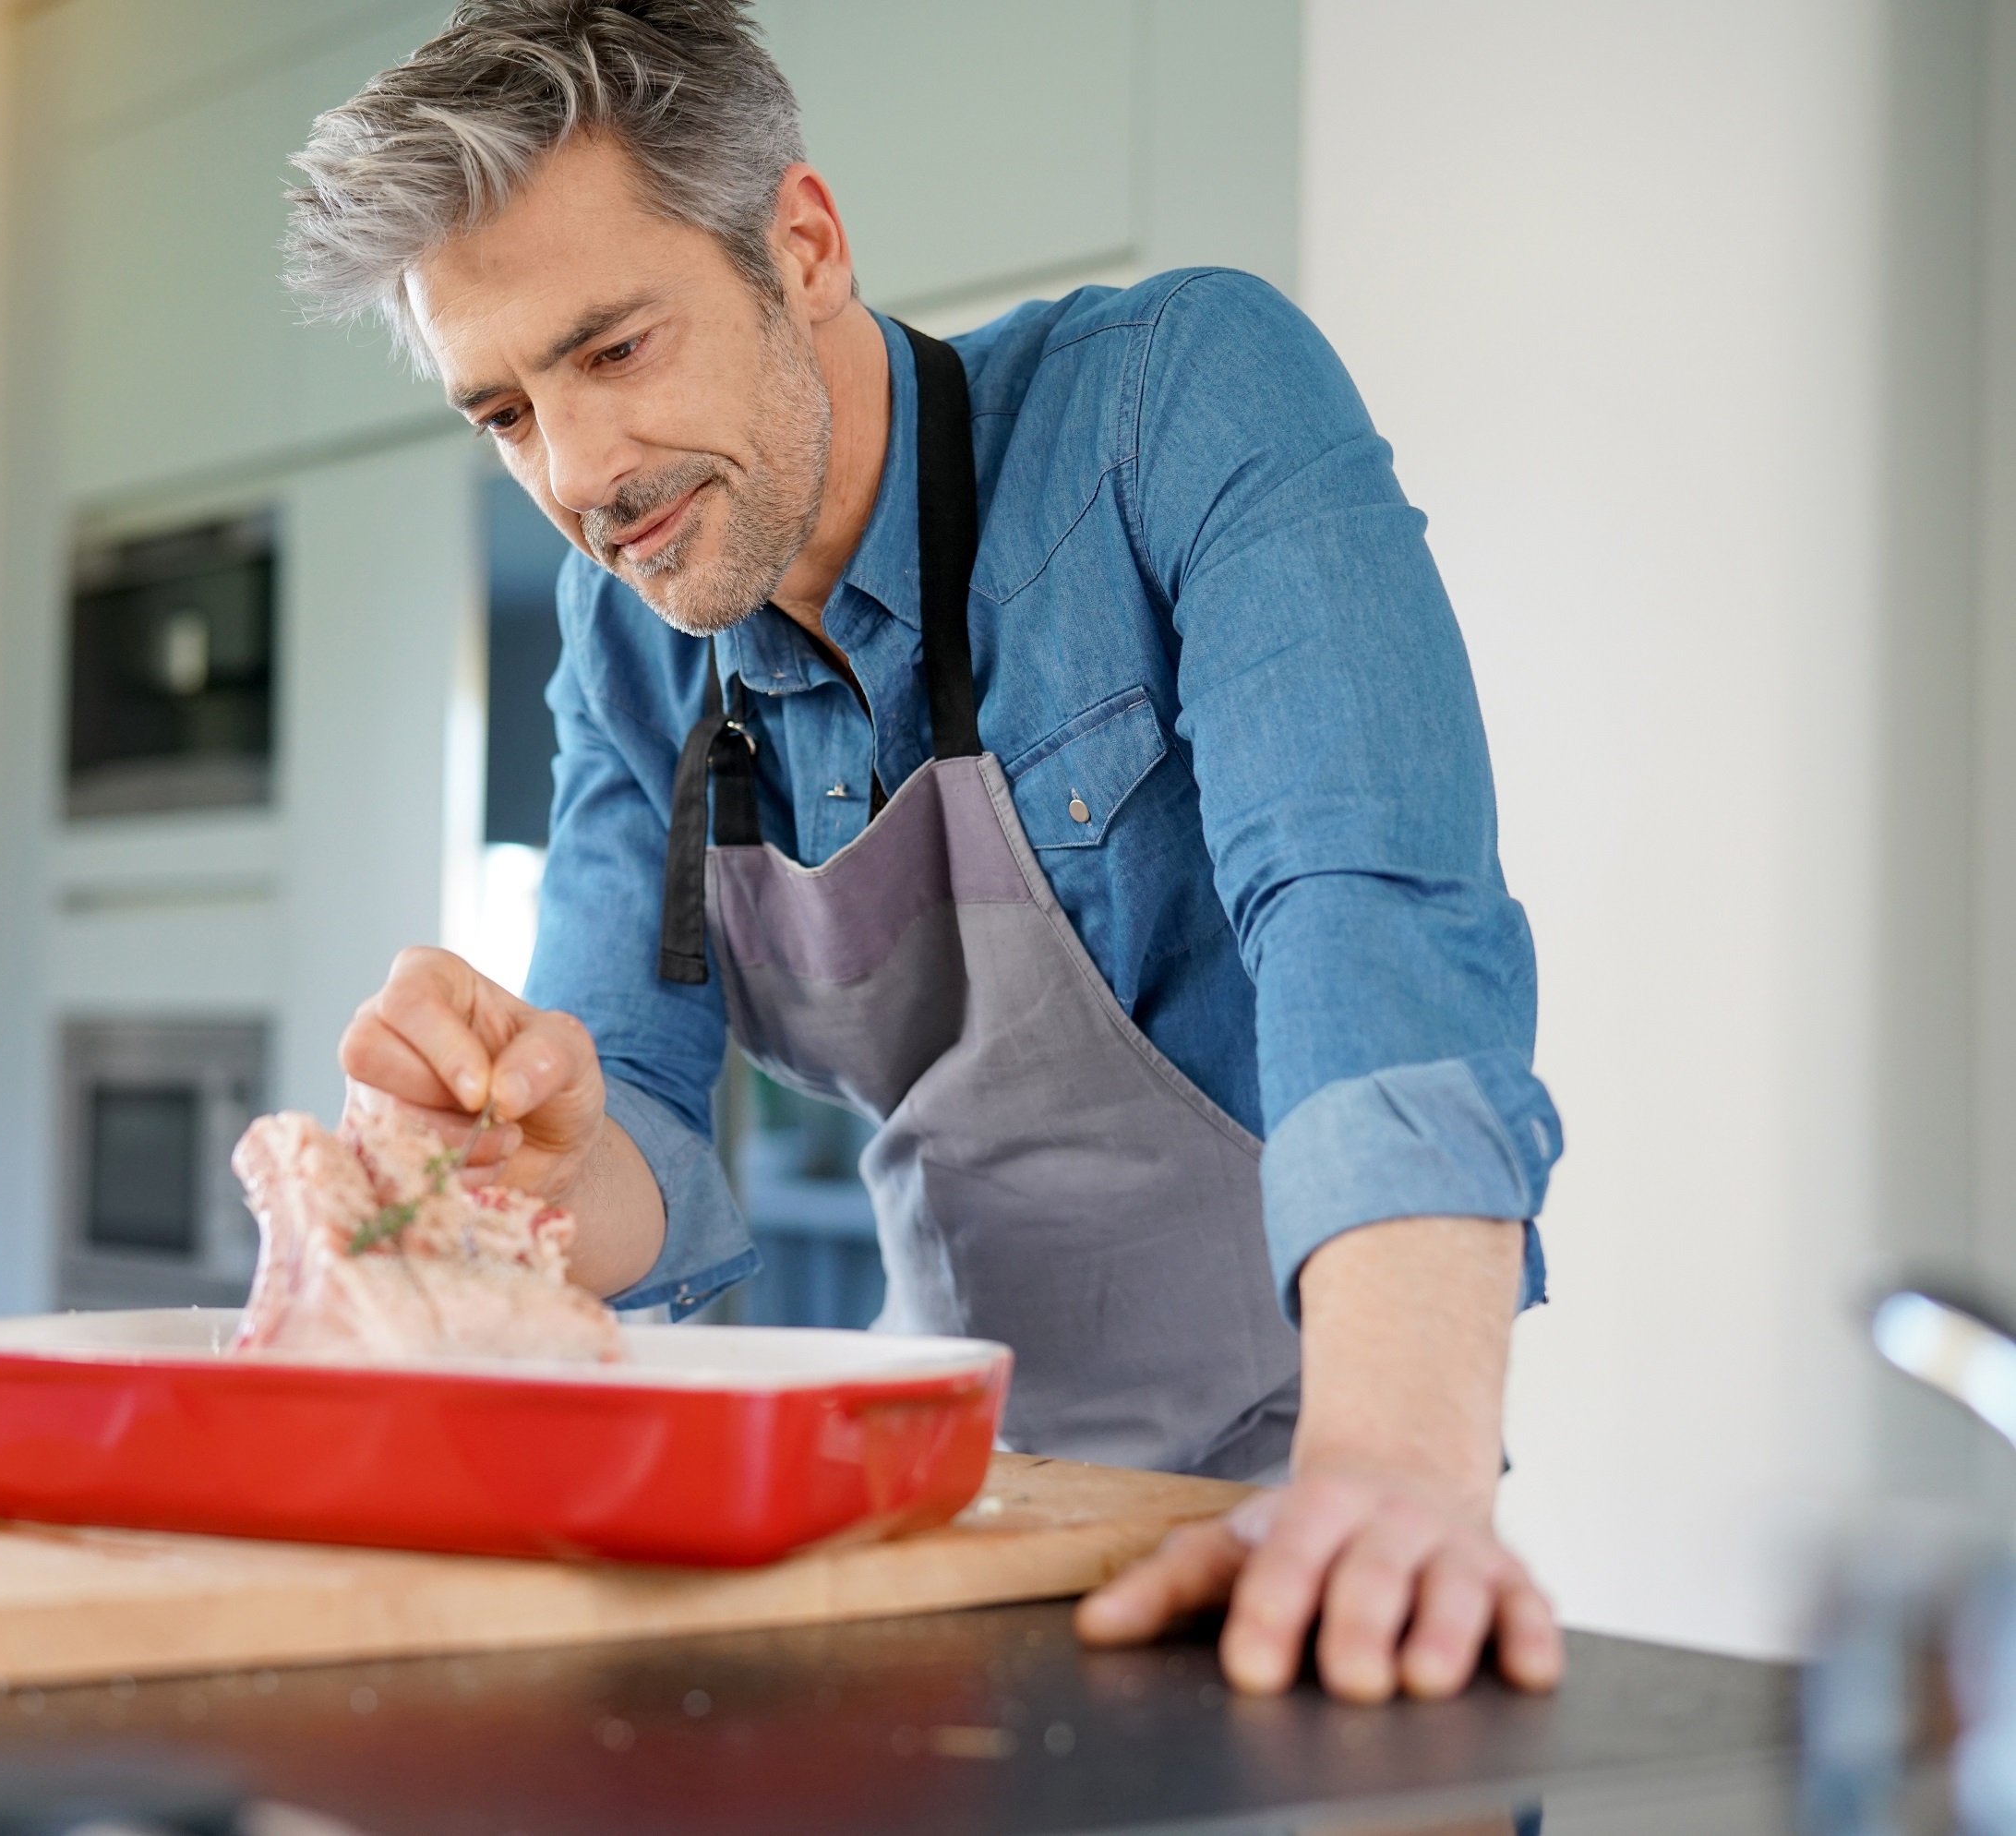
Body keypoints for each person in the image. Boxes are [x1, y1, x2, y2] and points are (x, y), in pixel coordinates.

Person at [285, 0, 1564, 1705]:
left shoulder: (1172, 404)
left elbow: (1367, 917)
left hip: (1298, 1484)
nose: (578, 473)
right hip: (936, 1511)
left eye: (612, 349)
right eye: (504, 413)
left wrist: (1394, 1477)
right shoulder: (635, 651)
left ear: (799, 246)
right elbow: (634, 1124)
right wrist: (508, 1163)